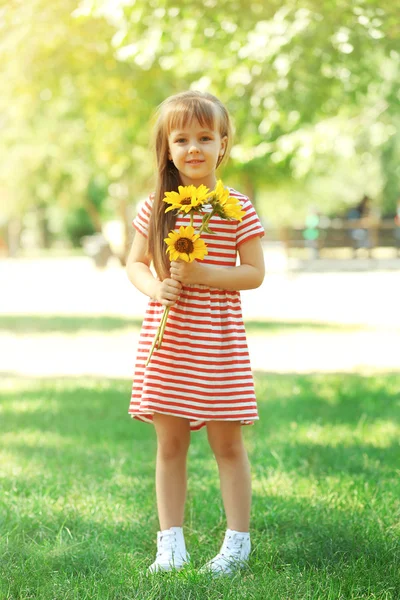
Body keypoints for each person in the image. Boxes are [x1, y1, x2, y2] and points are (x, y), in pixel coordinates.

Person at [126, 91, 265, 576]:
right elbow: (135, 263)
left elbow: (253, 273)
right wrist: (154, 289)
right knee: (170, 445)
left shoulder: (235, 207)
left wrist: (205, 274)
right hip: (169, 343)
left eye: (205, 138)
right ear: (166, 148)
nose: (193, 148)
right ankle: (171, 544)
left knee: (227, 444)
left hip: (218, 343)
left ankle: (237, 544)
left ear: (223, 145)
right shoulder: (155, 208)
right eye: (181, 139)